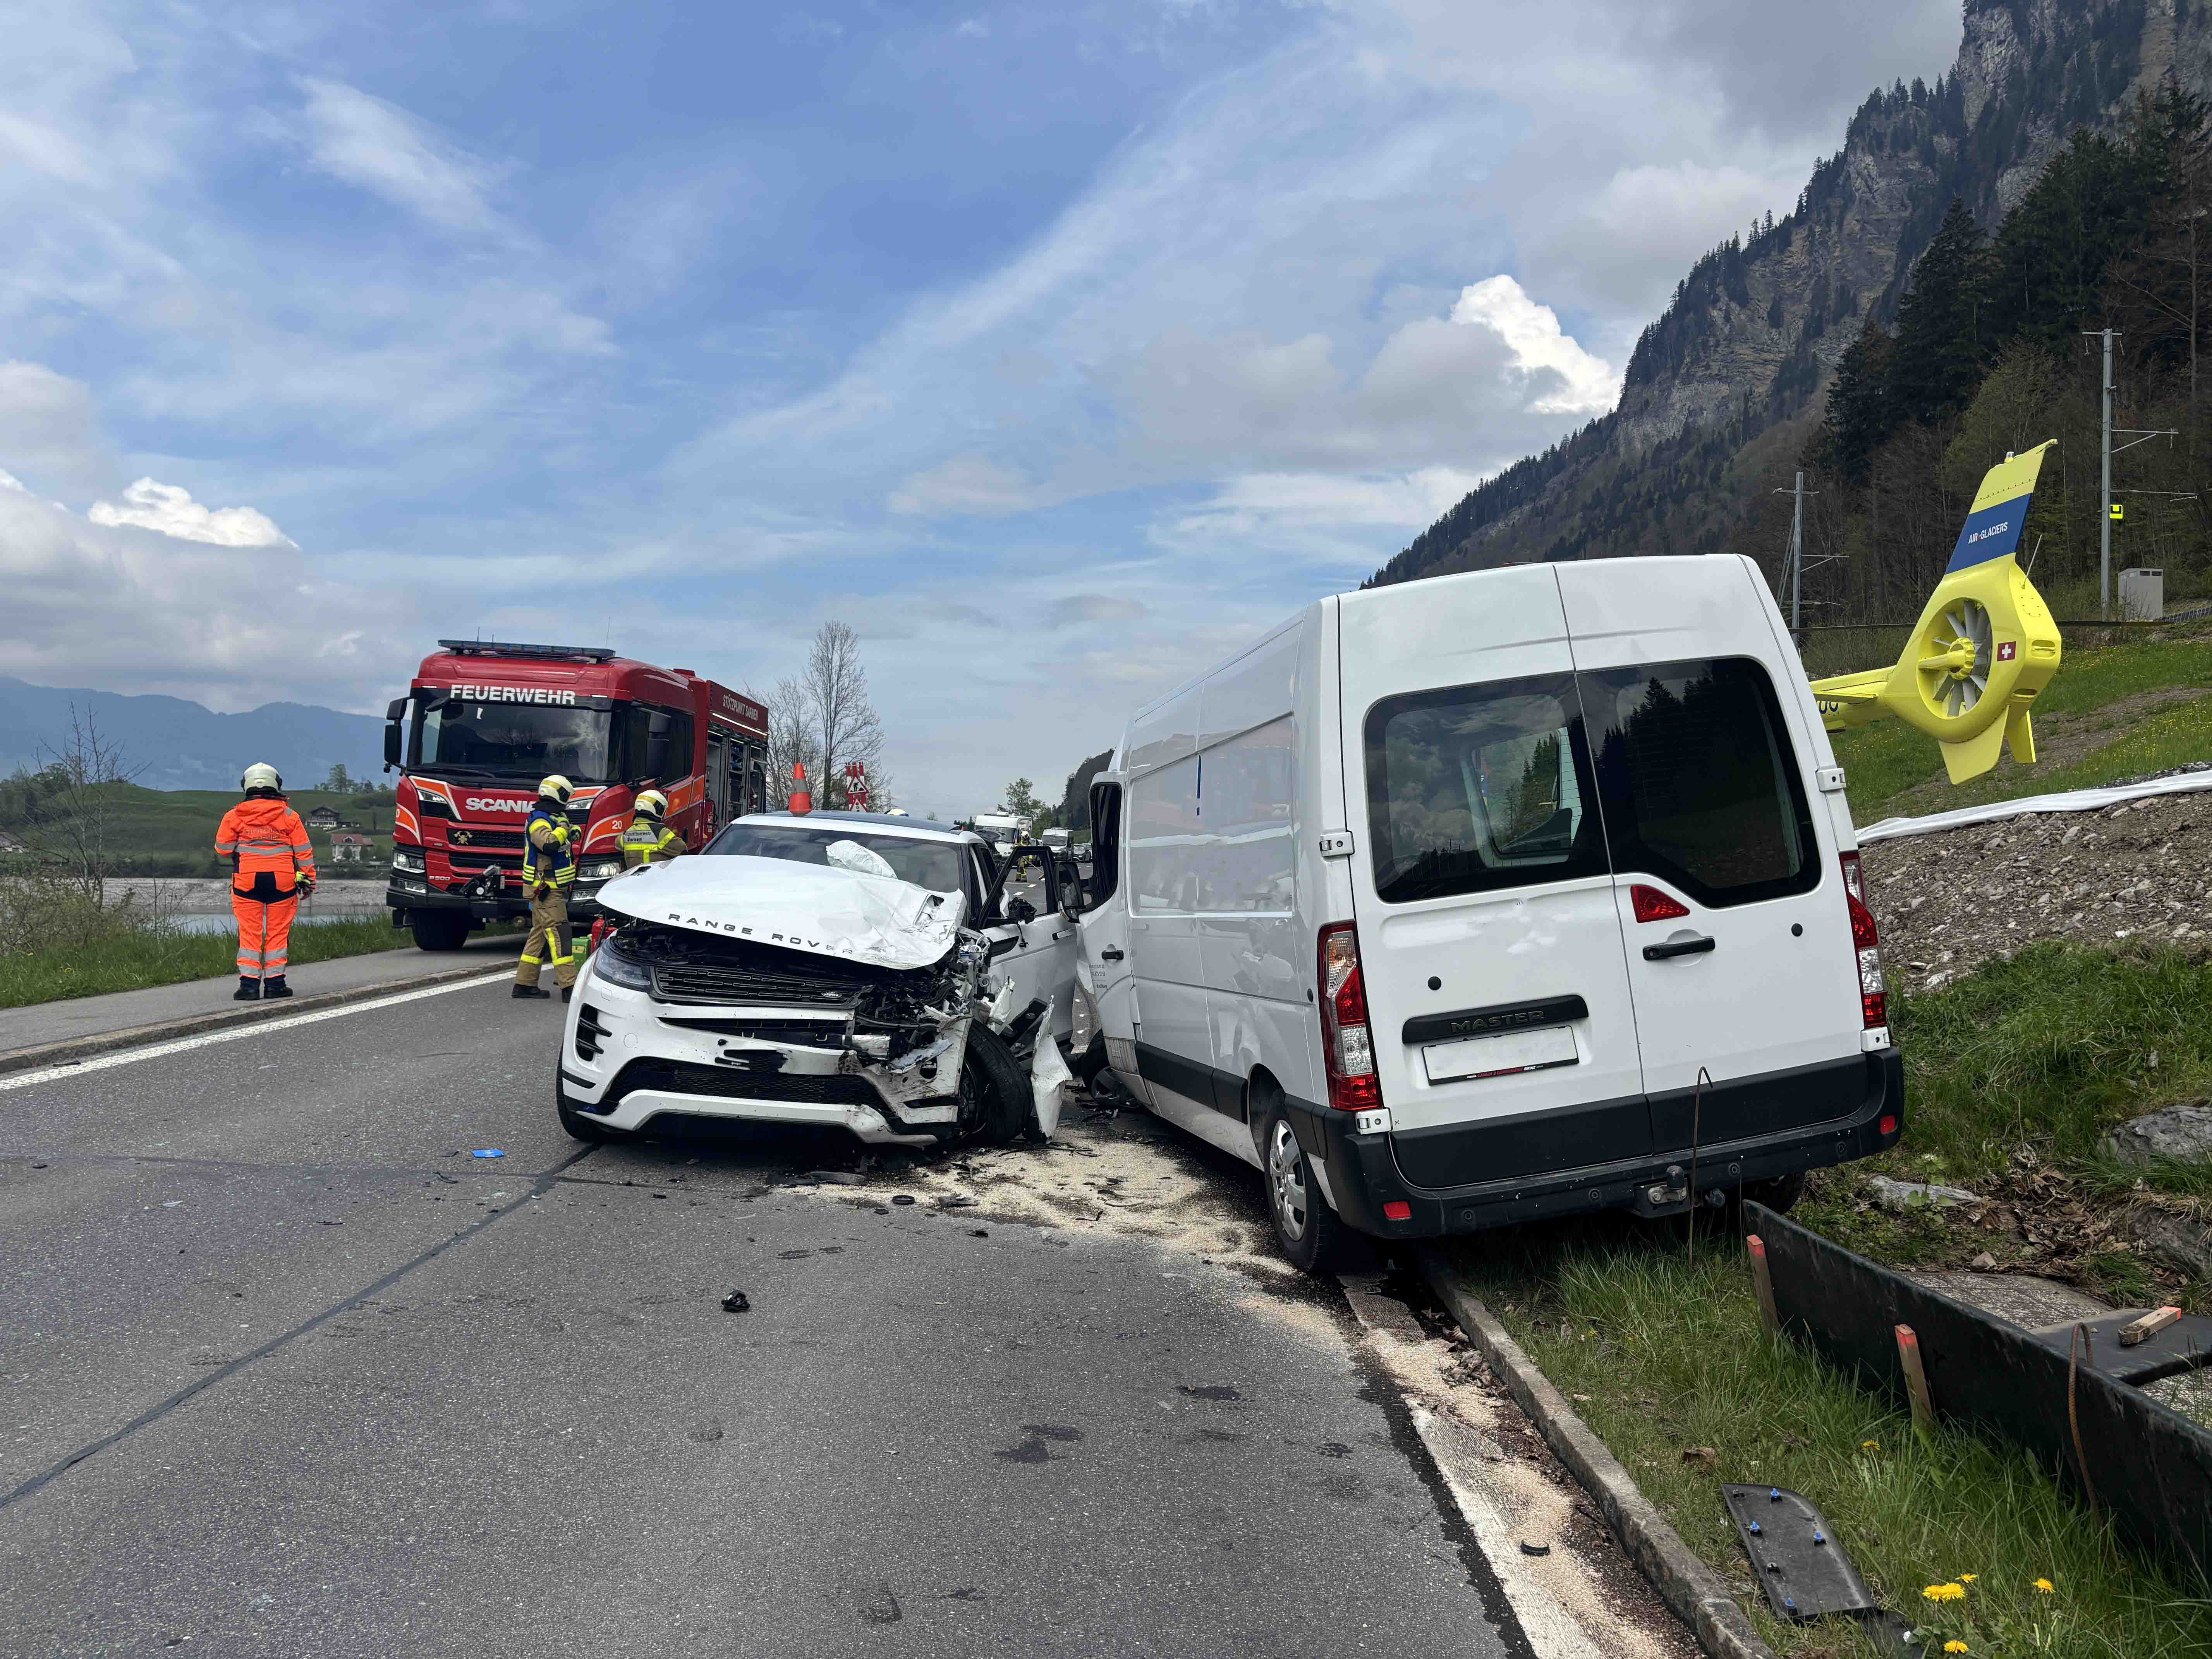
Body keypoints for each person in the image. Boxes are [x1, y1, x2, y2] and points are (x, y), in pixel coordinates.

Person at [215, 763, 316, 1000]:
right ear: (276, 784)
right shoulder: (290, 816)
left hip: (246, 882)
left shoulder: (234, 816)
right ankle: (275, 985)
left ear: (246, 786)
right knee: (277, 934)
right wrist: (309, 881)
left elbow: (222, 849)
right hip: (283, 882)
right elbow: (304, 853)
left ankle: (249, 987)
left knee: (249, 934)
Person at [514, 774, 578, 1002]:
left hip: (549, 888)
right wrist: (562, 830)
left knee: (539, 936)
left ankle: (524, 984)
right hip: (547, 889)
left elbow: (559, 840)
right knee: (561, 935)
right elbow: (549, 844)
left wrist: (569, 831)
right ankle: (570, 987)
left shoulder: (552, 817)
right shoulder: (540, 819)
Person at [618, 789, 683, 868]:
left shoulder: (626, 835)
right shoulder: (661, 833)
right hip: (655, 878)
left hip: (634, 879)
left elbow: (618, 845)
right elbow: (683, 850)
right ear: (658, 809)